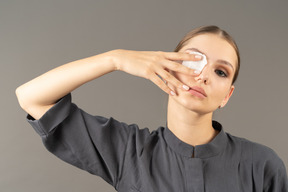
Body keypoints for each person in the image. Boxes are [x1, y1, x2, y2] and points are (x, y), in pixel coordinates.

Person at [16, 25, 288, 192]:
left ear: (226, 96)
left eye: (220, 71)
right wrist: (116, 59)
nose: (203, 76)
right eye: (194, 61)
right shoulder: (128, 151)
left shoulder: (262, 166)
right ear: (168, 64)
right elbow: (31, 97)